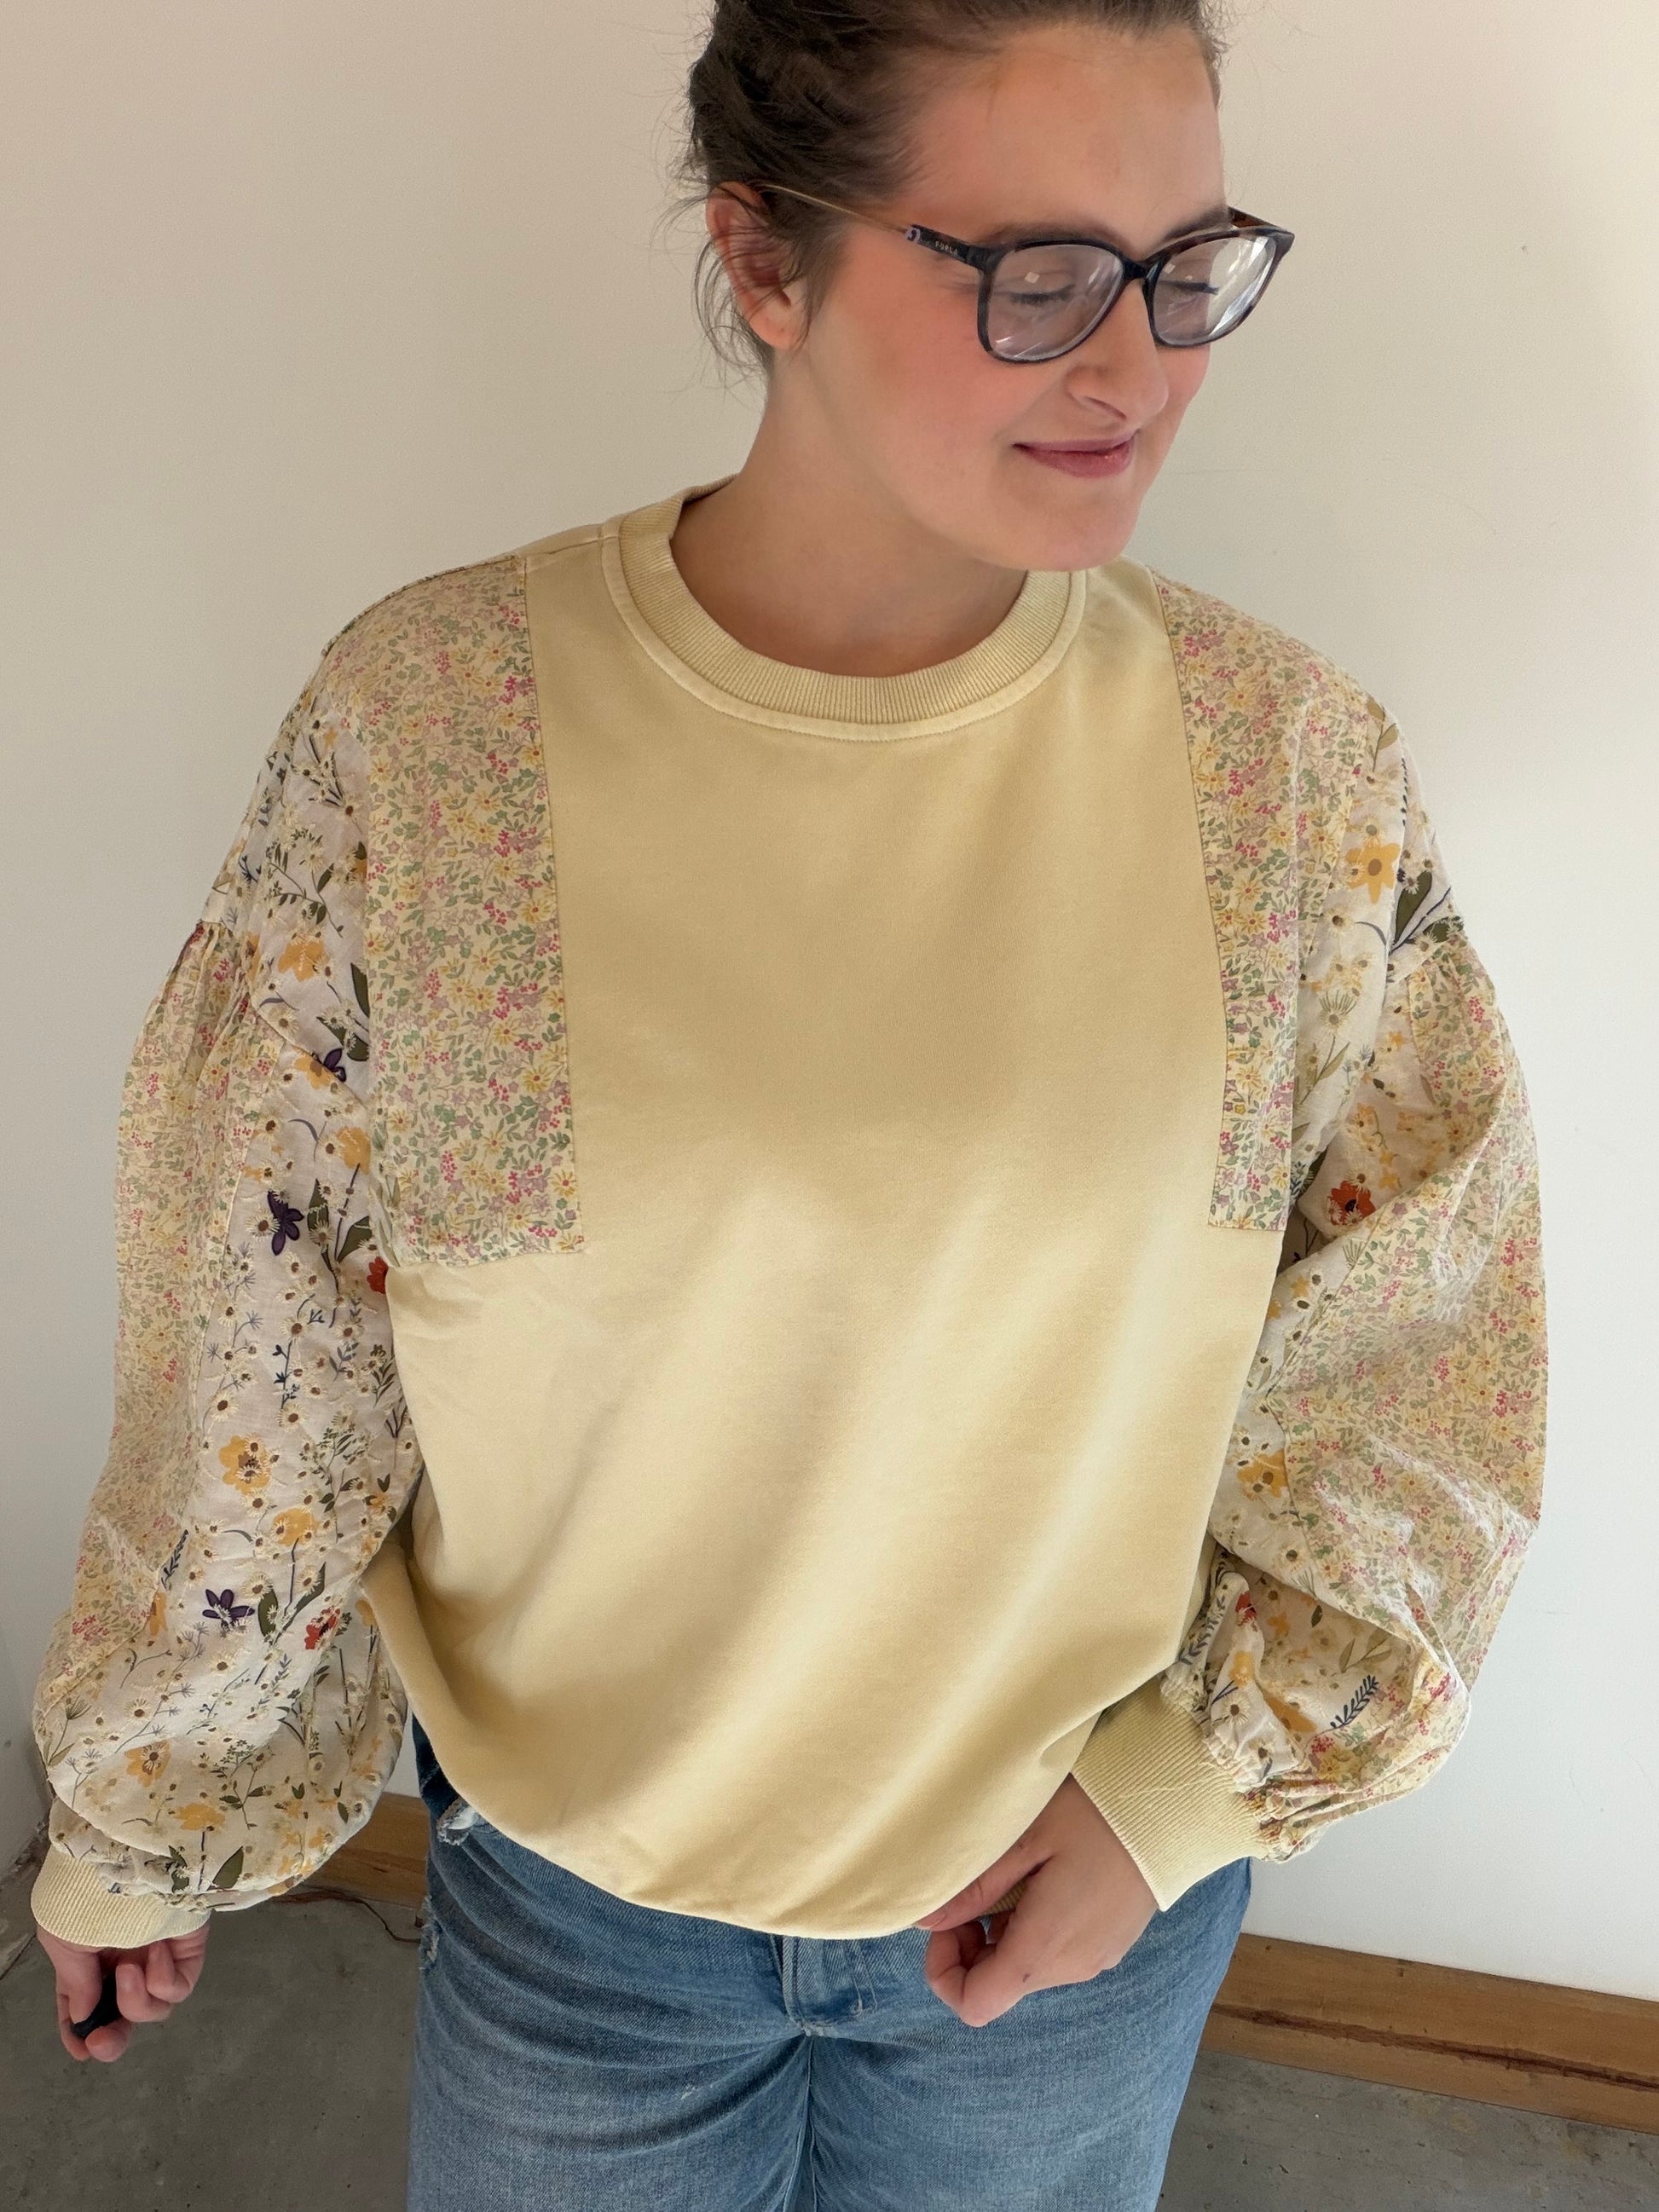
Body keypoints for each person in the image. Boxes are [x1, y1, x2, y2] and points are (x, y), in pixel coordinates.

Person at [31, 2, 1547, 2204]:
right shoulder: (436, 734)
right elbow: (262, 1343)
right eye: (1038, 273)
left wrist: (1178, 1806)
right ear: (764, 258)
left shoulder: (1281, 772)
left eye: (1185, 264)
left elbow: (1421, 1344)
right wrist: (145, 1810)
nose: (1134, 364)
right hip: (573, 1895)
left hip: (1070, 1904)